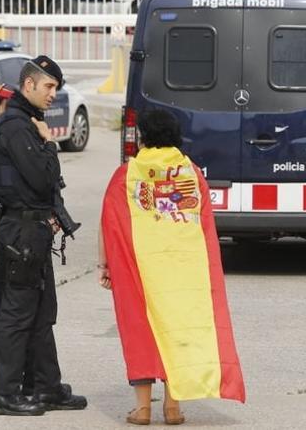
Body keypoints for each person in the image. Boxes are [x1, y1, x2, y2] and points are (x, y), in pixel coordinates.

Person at [98, 110, 246, 425]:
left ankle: (142, 409)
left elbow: (108, 224)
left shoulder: (127, 174)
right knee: (176, 331)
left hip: (140, 268)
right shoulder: (192, 173)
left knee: (140, 330)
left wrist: (106, 265)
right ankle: (173, 407)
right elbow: (206, 224)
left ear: (144, 136)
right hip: (184, 268)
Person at [0, 56, 87, 416]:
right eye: (48, 87)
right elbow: (43, 180)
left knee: (43, 313)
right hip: (21, 231)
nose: (53, 95)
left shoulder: (26, 121)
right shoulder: (17, 126)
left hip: (34, 229)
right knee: (17, 315)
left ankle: (46, 387)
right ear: (28, 85)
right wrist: (48, 144)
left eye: (56, 88)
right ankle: (4, 394)